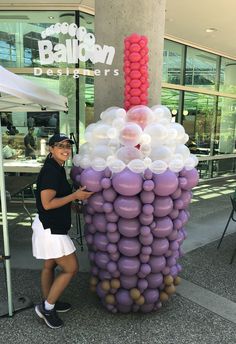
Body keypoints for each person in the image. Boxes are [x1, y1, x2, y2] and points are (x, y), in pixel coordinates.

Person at [32, 133, 93, 329]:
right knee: (71, 268)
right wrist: (75, 195)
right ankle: (47, 307)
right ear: (50, 148)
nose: (65, 149)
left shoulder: (57, 168)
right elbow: (47, 204)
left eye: (68, 145)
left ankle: (50, 299)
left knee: (49, 266)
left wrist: (72, 204)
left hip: (48, 224)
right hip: (52, 229)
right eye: (60, 145)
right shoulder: (51, 171)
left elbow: (57, 199)